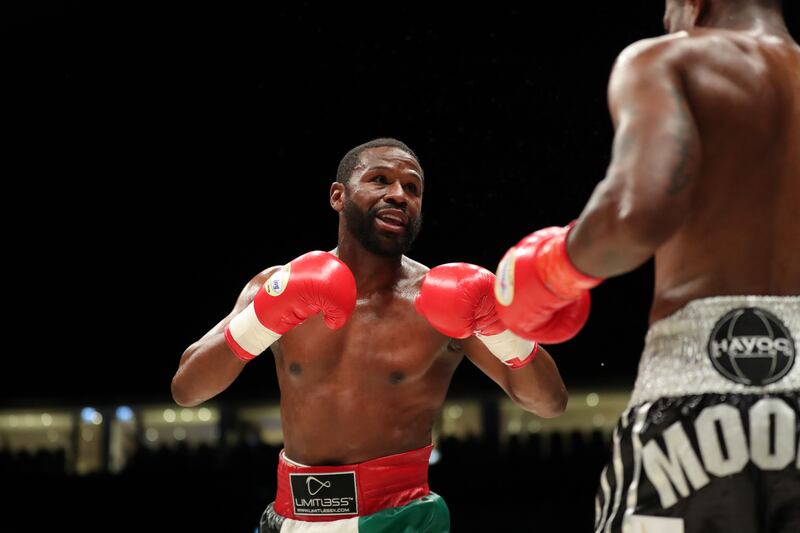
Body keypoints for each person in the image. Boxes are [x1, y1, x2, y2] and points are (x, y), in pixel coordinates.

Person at [493, 1, 799, 532]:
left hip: (691, 399)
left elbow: (638, 213)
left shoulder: (667, 61)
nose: (665, 21)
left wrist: (552, 269)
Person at [171, 138, 568, 532]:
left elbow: (549, 402)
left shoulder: (439, 302)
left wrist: (499, 327)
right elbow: (187, 389)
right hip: (289, 516)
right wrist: (261, 320)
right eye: (380, 180)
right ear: (338, 196)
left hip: (401, 517)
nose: (399, 195)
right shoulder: (278, 284)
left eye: (412, 188)